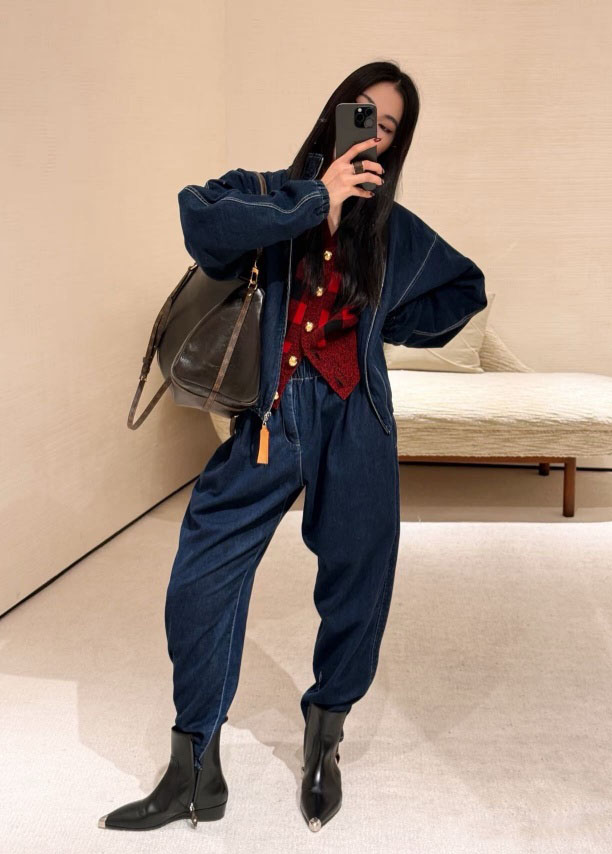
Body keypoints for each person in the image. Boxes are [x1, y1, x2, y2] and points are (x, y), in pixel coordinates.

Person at [98, 60, 487, 834]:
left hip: (355, 420)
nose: (371, 131)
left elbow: (463, 289)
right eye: (361, 111)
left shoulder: (393, 231)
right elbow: (200, 222)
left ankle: (324, 731)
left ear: (396, 144)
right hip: (269, 420)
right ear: (335, 111)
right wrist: (316, 200)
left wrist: (381, 323)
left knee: (359, 579)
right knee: (202, 577)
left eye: (388, 126)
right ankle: (193, 766)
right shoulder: (266, 193)